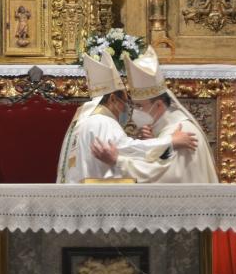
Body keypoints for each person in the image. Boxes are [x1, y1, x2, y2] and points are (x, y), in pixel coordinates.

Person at [56, 51, 197, 184]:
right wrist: (170, 141)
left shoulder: (84, 118)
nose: (126, 109)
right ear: (112, 99)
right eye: (124, 102)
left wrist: (150, 140)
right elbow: (127, 150)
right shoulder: (103, 122)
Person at [91, 46, 219, 183]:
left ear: (158, 105)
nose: (135, 111)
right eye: (135, 105)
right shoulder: (170, 129)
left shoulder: (182, 131)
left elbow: (160, 174)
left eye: (140, 106)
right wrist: (154, 142)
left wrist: (118, 161)